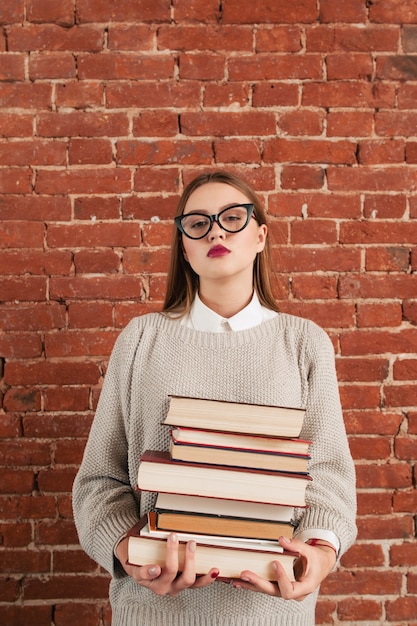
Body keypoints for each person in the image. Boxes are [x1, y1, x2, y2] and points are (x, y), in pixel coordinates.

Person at [73, 170, 357, 626]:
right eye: (199, 223)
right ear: (184, 245)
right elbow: (99, 479)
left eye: (232, 217)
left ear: (260, 235)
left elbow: (327, 477)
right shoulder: (141, 339)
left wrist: (320, 554)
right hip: (154, 612)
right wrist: (131, 553)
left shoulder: (305, 343)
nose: (217, 231)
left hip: (271, 611)